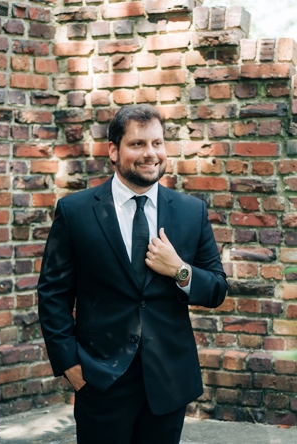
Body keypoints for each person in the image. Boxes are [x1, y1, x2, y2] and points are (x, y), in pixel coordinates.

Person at [37, 104, 228, 443]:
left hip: (169, 380)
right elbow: (53, 293)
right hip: (99, 378)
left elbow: (216, 290)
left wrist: (180, 270)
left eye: (157, 143)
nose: (150, 153)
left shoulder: (190, 211)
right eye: (138, 144)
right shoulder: (76, 211)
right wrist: (69, 364)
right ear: (114, 150)